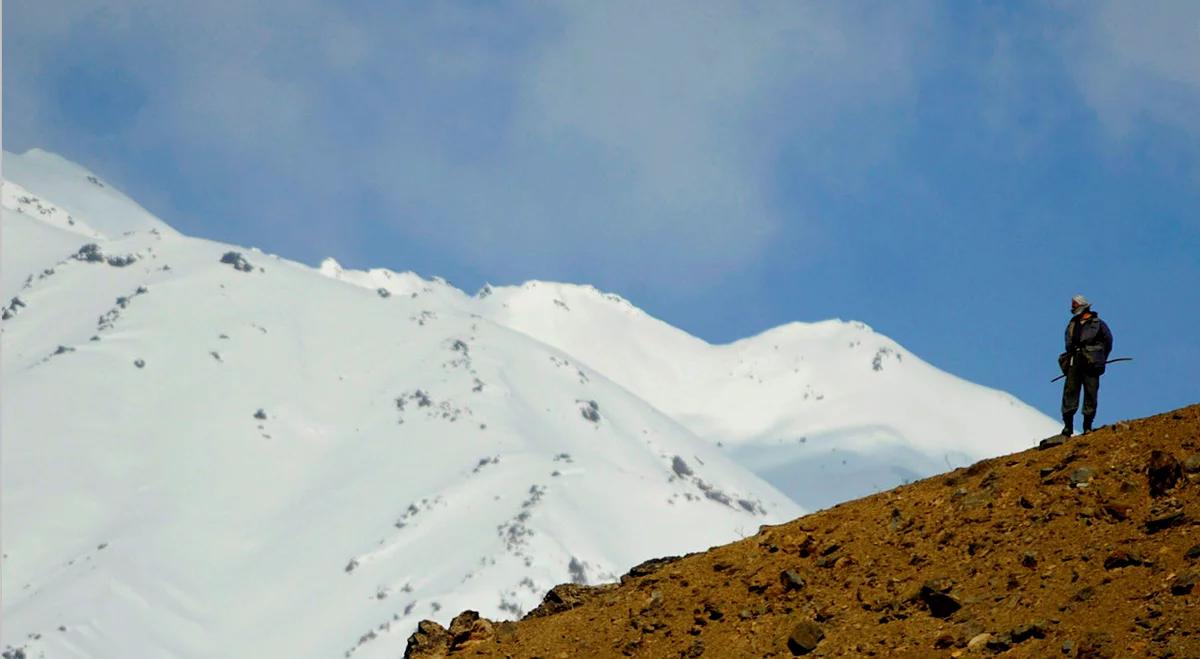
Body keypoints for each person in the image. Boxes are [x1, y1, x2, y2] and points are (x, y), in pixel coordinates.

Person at [1059, 294, 1113, 435]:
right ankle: (1068, 427)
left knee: (1090, 393)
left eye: (1074, 305)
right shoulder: (1072, 324)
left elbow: (1108, 342)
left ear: (1083, 305)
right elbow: (1068, 343)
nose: (1072, 308)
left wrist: (1099, 358)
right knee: (1070, 393)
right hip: (1074, 362)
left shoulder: (1098, 324)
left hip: (1091, 363)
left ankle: (1087, 426)